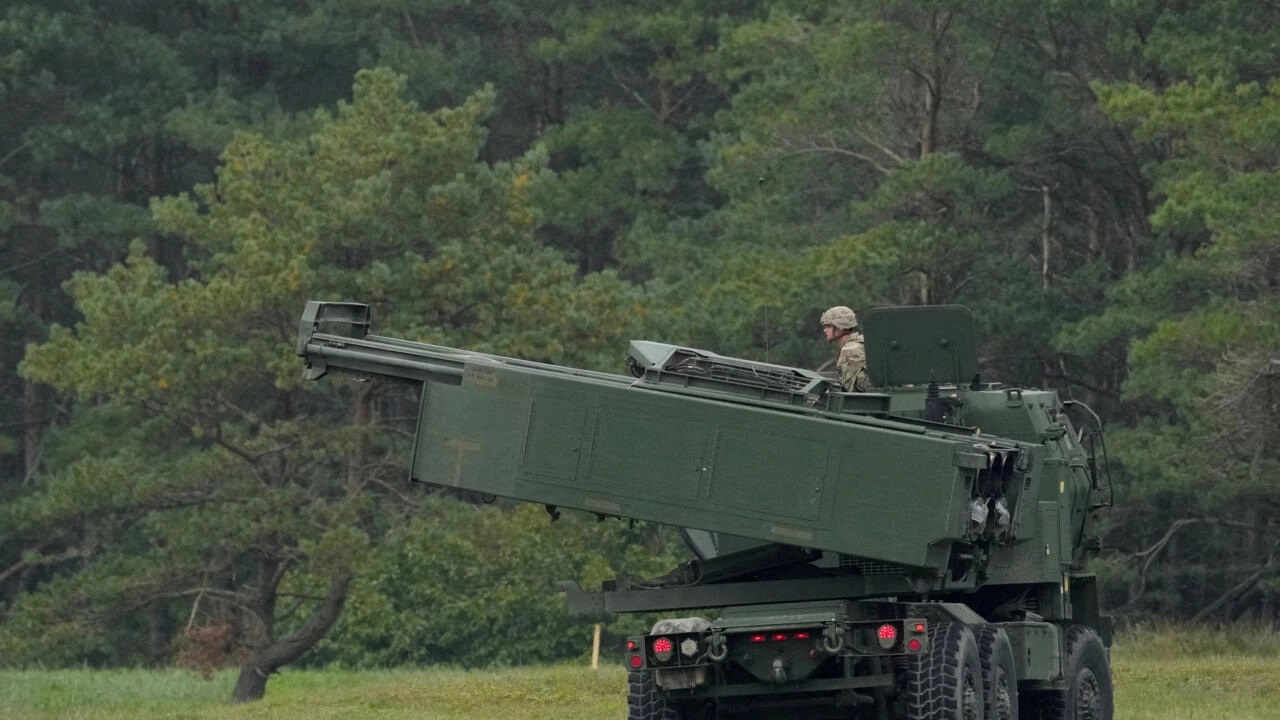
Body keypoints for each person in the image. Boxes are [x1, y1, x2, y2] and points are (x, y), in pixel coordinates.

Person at [820, 305, 869, 392]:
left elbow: (849, 391)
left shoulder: (850, 349)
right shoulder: (862, 342)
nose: (825, 330)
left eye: (828, 326)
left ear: (839, 326)